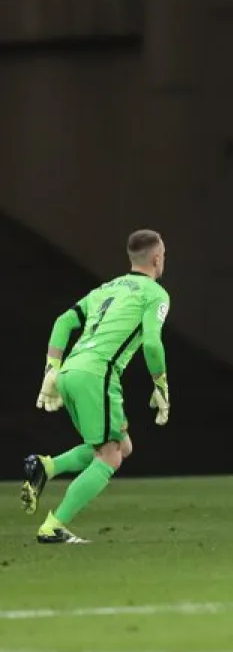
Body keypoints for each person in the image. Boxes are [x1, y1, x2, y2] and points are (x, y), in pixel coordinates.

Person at [22, 229, 172, 544]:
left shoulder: (105, 289)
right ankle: (53, 526)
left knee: (119, 446)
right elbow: (153, 344)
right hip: (97, 375)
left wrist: (52, 370)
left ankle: (45, 467)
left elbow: (63, 322)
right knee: (110, 455)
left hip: (70, 372)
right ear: (157, 258)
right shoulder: (154, 293)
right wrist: (160, 384)